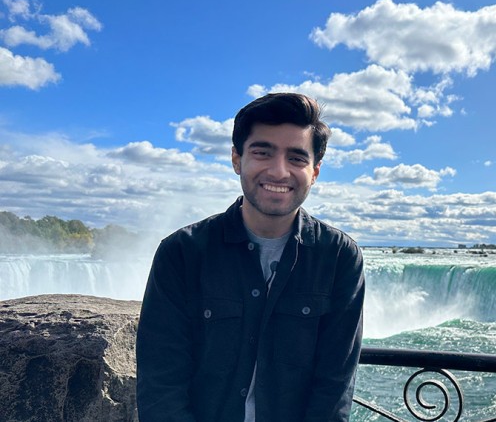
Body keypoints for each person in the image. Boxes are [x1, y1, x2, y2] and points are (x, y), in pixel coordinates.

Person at [136, 93, 365, 421]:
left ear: (314, 172)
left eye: (297, 158)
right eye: (263, 152)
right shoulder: (181, 253)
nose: (279, 171)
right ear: (236, 159)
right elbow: (161, 385)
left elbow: (333, 389)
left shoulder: (340, 258)